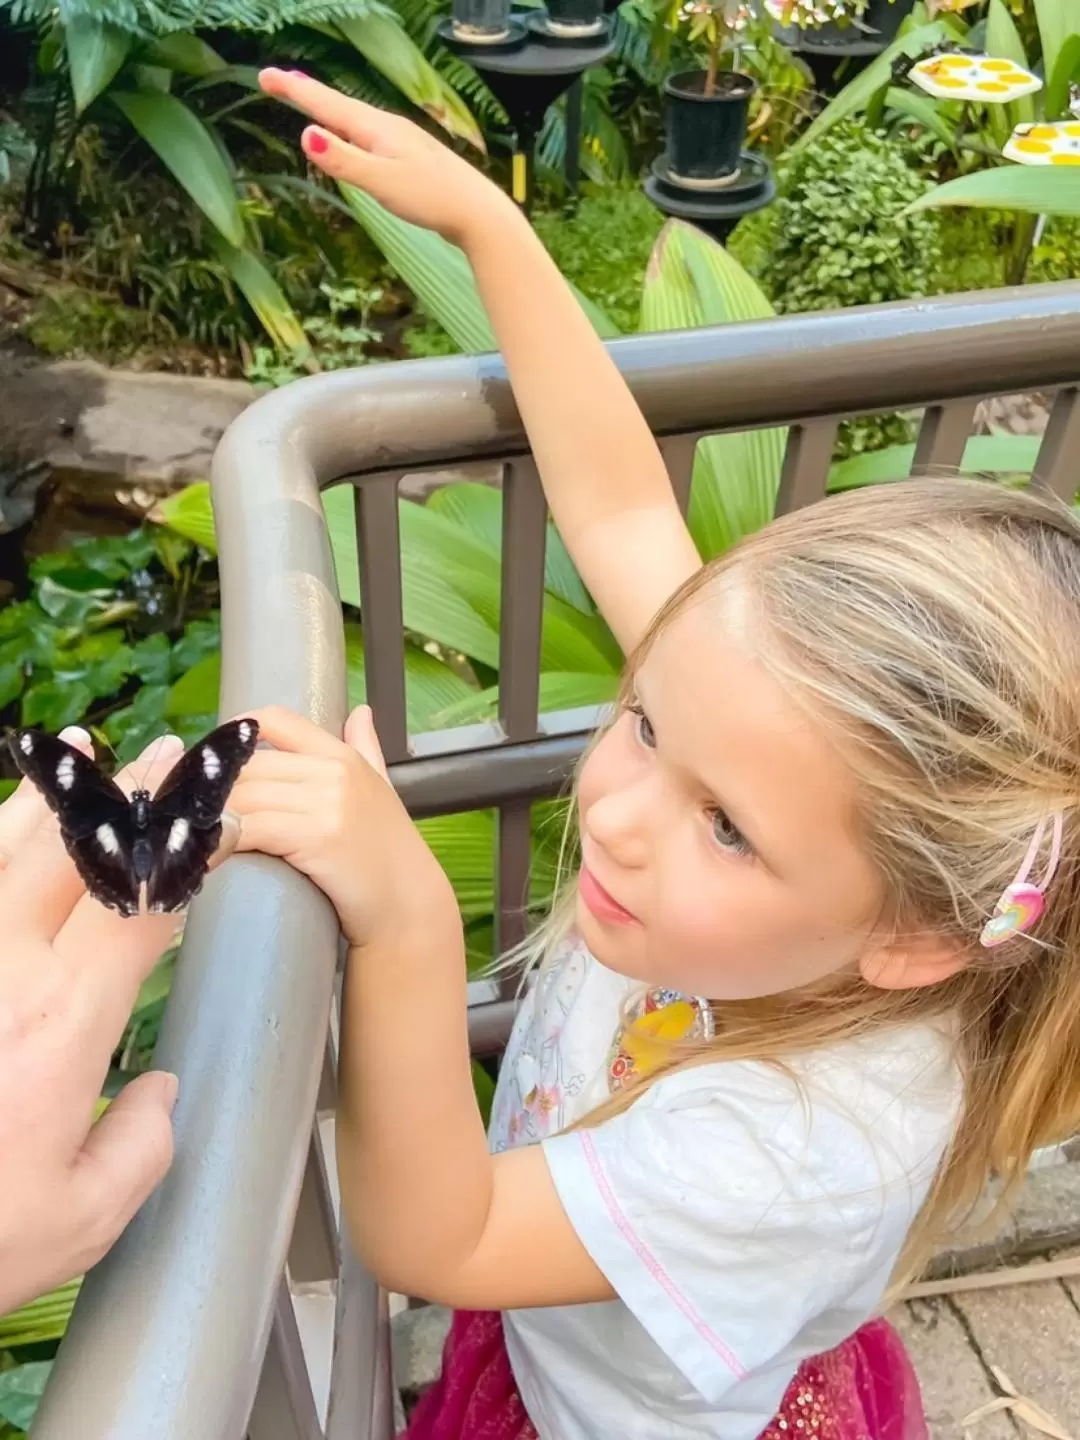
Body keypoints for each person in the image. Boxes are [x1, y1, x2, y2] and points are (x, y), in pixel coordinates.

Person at [229, 69, 1080, 1440]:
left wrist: (405, 924)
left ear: (918, 937)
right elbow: (623, 509)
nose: (620, 814)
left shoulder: (791, 1147)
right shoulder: (790, 764)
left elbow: (438, 1244)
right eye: (641, 723)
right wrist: (488, 231)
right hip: (599, 1332)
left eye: (727, 827)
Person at [0, 729, 226, 1315]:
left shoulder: (99, 801)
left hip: (108, 841)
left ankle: (131, 890)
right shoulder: (175, 799)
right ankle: (150, 887)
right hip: (160, 841)